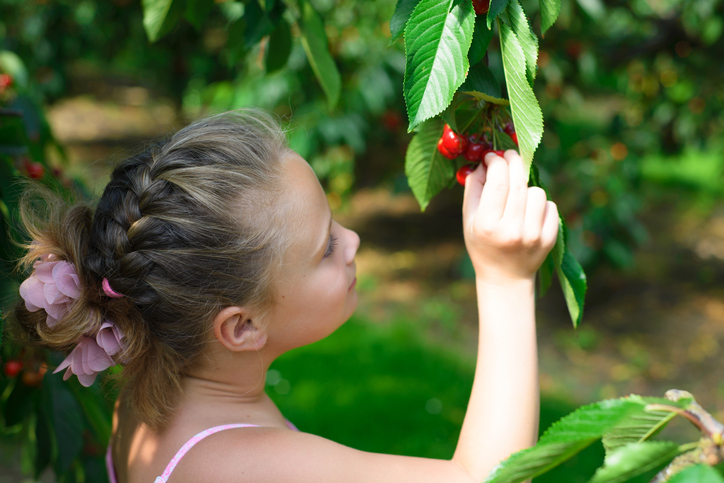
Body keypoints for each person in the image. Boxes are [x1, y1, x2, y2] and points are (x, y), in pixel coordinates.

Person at [9, 109, 559, 483]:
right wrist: (505, 280)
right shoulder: (238, 465)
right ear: (240, 327)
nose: (355, 241)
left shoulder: (150, 381)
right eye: (325, 248)